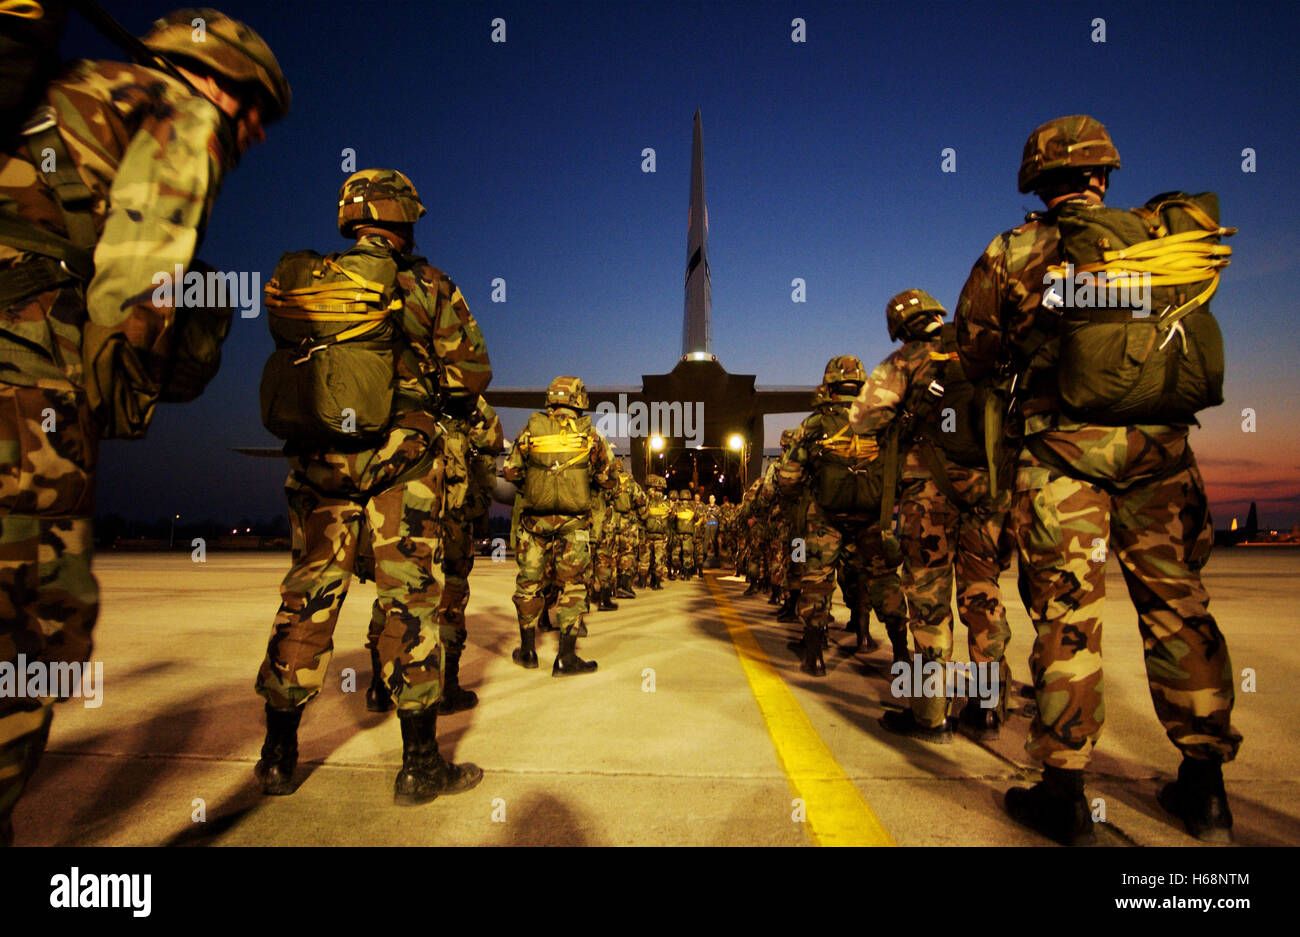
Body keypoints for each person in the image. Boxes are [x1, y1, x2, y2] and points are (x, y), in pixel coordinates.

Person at [0, 7, 289, 844]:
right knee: (30, 628)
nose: (254, 134)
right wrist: (130, 376)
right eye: (252, 109)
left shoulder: (61, 96)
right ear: (209, 81)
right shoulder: (173, 113)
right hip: (21, 398)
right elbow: (133, 291)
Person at [955, 114, 1242, 844]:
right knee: (1179, 606)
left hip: (1062, 454)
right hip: (1159, 451)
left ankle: (1067, 793)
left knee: (1068, 615)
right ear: (1103, 175)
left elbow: (975, 352)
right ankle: (1207, 791)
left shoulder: (1016, 250)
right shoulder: (1153, 240)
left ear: (1038, 181)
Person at [253, 169, 490, 806]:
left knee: (307, 599)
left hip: (320, 469)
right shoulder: (427, 284)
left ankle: (277, 757)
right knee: (411, 604)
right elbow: (472, 374)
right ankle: (419, 767)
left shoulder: (311, 282)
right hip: (399, 468)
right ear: (405, 219)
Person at [850, 290, 1012, 741]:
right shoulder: (985, 348)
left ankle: (930, 717)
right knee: (984, 596)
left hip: (930, 496)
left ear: (901, 326)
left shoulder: (907, 361)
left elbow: (862, 419)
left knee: (928, 603)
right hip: (989, 492)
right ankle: (987, 706)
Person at [360, 394, 503, 714]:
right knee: (452, 594)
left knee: (393, 591)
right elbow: (494, 437)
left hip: (401, 517)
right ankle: (447, 689)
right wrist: (473, 399)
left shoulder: (397, 409)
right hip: (449, 521)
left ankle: (378, 688)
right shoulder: (459, 414)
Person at [778, 357, 905, 676]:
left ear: (829, 385)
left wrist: (800, 503)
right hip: (872, 517)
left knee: (818, 581)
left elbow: (788, 478)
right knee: (883, 579)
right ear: (862, 385)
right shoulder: (884, 421)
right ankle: (900, 653)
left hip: (827, 516)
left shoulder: (814, 424)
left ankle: (814, 656)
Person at [505, 376, 616, 675]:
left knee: (529, 584)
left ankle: (527, 651)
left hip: (534, 525)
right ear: (579, 401)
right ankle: (566, 658)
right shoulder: (591, 437)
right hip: (573, 524)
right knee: (573, 585)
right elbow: (608, 479)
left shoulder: (530, 432)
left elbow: (511, 471)